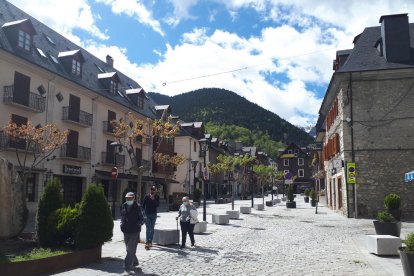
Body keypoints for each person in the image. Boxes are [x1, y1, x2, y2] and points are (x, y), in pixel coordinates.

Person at [120, 192, 144, 271]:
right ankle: (135, 261)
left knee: (130, 248)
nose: (128, 199)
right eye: (127, 198)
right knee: (129, 249)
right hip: (126, 230)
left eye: (130, 198)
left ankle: (127, 265)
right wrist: (121, 224)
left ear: (134, 198)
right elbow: (122, 216)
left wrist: (138, 224)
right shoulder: (124, 205)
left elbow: (143, 218)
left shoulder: (138, 207)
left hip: (134, 231)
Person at [142, 185, 160, 250]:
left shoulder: (157, 197)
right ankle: (147, 241)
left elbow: (158, 205)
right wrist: (143, 214)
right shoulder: (146, 196)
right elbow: (143, 205)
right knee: (148, 228)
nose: (153, 190)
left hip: (154, 214)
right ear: (150, 190)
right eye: (152, 189)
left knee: (152, 228)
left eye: (154, 189)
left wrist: (154, 199)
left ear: (156, 190)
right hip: (147, 214)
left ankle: (150, 241)